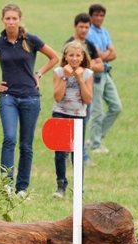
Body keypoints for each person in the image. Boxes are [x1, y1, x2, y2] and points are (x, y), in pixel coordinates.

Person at [0, 3, 58, 196]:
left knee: (26, 144)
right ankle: (6, 184)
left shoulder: (31, 40)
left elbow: (54, 57)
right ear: (2, 20)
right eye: (7, 18)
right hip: (8, 96)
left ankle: (22, 188)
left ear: (19, 20)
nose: (10, 22)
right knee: (9, 138)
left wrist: (39, 74)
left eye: (14, 18)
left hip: (30, 98)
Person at [51, 40, 92, 198]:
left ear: (82, 57)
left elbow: (88, 99)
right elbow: (58, 97)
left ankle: (78, 188)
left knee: (77, 152)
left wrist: (81, 79)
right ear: (65, 57)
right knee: (60, 152)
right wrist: (65, 78)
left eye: (77, 55)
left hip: (78, 115)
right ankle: (61, 185)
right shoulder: (59, 72)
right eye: (71, 55)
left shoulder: (88, 74)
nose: (74, 59)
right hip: (61, 113)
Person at [65, 12, 103, 166]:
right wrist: (87, 65)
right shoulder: (69, 44)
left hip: (86, 89)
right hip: (69, 92)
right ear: (75, 26)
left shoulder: (89, 44)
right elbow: (65, 66)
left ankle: (81, 154)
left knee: (83, 122)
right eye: (81, 27)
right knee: (68, 123)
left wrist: (83, 66)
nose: (84, 30)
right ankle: (65, 153)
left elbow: (100, 66)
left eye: (87, 27)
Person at [86, 3, 121, 154]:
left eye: (101, 16)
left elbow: (114, 53)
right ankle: (95, 145)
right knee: (97, 110)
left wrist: (104, 55)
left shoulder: (104, 32)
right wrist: (106, 55)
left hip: (106, 72)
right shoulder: (89, 33)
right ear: (91, 17)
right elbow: (100, 56)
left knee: (116, 107)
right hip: (96, 75)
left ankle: (96, 137)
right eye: (96, 15)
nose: (99, 18)